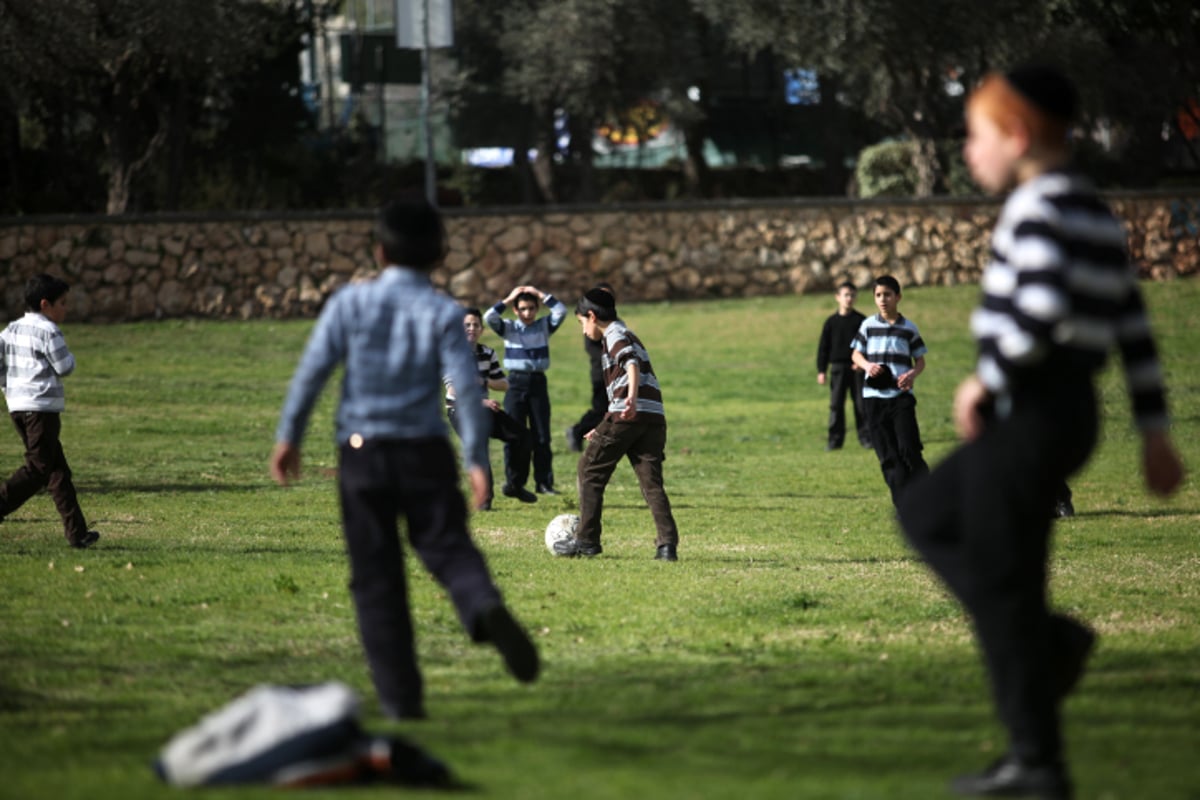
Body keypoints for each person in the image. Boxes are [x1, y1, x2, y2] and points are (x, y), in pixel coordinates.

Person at [898, 66, 1184, 799]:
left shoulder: (1038, 207)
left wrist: (985, 379)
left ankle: (1047, 660)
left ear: (1017, 136)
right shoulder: (1088, 206)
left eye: (975, 135)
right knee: (991, 565)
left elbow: (1045, 305)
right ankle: (1040, 760)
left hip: (1033, 409)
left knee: (944, 532)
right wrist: (1154, 430)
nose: (967, 152)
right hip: (1068, 415)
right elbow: (1132, 324)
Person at [270, 197, 539, 721]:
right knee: (448, 545)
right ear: (439, 254)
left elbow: (312, 372)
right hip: (425, 452)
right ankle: (481, 605)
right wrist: (477, 459)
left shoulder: (350, 306)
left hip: (362, 455)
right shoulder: (443, 312)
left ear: (378, 250)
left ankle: (401, 700)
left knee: (377, 578)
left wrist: (289, 437)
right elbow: (466, 384)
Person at [552, 289, 680, 561]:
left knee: (589, 470)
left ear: (592, 316)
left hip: (627, 414)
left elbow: (629, 364)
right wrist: (601, 427)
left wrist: (630, 399)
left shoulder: (614, 335)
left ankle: (586, 540)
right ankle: (667, 546)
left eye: (581, 324)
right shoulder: (629, 333)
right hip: (653, 419)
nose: (583, 331)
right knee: (651, 483)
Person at [0, 274, 99, 549]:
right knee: (39, 469)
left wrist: (10, 390)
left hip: (18, 407)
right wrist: (72, 358)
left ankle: (77, 533)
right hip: (41, 409)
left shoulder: (10, 330)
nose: (66, 309)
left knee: (58, 472)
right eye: (63, 303)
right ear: (46, 304)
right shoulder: (49, 331)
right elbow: (64, 366)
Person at [850, 274, 929, 511]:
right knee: (888, 456)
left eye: (887, 294)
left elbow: (920, 361)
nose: (882, 299)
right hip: (873, 400)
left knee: (909, 450)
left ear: (898, 297)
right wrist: (867, 366)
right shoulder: (868, 326)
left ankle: (930, 494)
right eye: (878, 295)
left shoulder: (908, 328)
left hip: (901, 399)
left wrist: (912, 375)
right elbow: (855, 354)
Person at [444, 307, 533, 511]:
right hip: (460, 410)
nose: (472, 328)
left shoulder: (487, 353)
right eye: (467, 325)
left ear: (482, 330)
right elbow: (454, 389)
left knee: (523, 437)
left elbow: (501, 383)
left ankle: (515, 485)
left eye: (476, 325)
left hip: (484, 409)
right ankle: (484, 500)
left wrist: (496, 381)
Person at [483, 284, 567, 499]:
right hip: (515, 383)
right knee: (514, 434)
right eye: (523, 309)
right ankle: (514, 483)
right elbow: (489, 317)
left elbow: (561, 311)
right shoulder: (509, 327)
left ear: (537, 309)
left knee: (541, 435)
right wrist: (509, 298)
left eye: (531, 308)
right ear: (516, 310)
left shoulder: (544, 326)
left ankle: (544, 483)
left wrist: (540, 294)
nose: (528, 313)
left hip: (538, 382)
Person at [816, 281, 870, 451]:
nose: (849, 299)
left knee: (861, 404)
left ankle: (866, 438)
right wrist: (822, 370)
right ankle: (835, 440)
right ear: (838, 297)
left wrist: (863, 362)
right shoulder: (831, 322)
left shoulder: (861, 321)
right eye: (846, 295)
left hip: (857, 369)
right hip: (838, 369)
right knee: (836, 405)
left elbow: (869, 344)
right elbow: (823, 348)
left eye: (852, 295)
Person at [565, 282, 615, 453]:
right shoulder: (592, 327)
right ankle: (577, 431)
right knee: (601, 410)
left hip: (614, 374)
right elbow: (593, 350)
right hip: (601, 374)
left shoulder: (614, 324)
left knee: (611, 410)